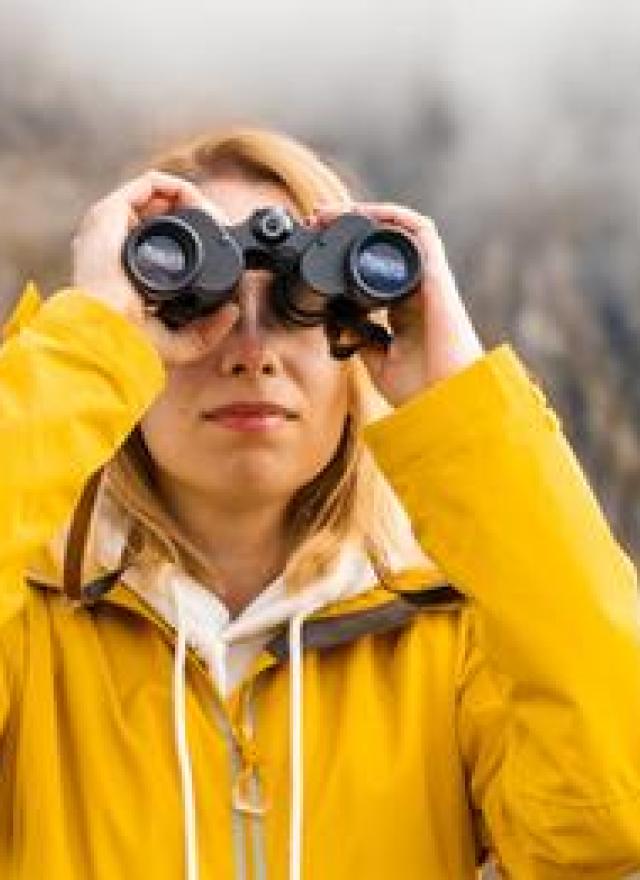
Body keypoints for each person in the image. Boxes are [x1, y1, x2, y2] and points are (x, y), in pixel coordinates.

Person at [1, 126, 639, 880]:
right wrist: (88, 345)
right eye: (189, 306)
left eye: (298, 307)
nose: (250, 351)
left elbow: (615, 812)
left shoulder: (454, 638)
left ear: (357, 339)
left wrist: (464, 403)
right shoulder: (32, 630)